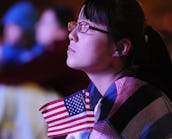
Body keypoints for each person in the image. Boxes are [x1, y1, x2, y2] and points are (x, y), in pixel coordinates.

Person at [39, 0, 172, 138]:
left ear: (120, 48)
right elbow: (54, 118)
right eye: (76, 24)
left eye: (85, 26)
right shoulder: (96, 89)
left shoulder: (124, 101)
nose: (72, 35)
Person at [0, 3, 90, 96]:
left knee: (9, 92)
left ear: (61, 30)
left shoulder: (61, 52)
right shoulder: (57, 50)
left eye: (44, 22)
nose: (38, 26)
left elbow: (22, 73)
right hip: (72, 110)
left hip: (74, 115)